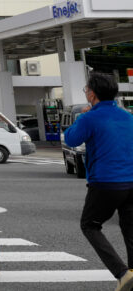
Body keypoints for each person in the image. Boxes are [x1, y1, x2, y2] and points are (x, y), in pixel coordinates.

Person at [63, 71, 133, 291]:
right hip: (131, 181)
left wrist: (80, 117)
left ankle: (122, 273)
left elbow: (72, 138)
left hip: (105, 181)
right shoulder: (128, 116)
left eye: (86, 90)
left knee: (90, 225)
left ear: (92, 94)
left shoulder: (89, 117)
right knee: (130, 230)